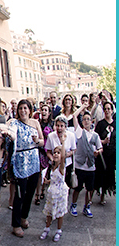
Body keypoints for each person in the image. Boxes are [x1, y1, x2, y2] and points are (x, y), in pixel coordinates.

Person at [8, 99, 44, 238]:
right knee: (19, 193)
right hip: (20, 159)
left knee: (30, 192)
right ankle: (15, 224)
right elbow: (8, 131)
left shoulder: (35, 123)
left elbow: (42, 141)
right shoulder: (14, 123)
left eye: (25, 108)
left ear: (30, 110)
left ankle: (24, 217)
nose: (23, 111)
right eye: (21, 108)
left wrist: (37, 141)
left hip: (33, 159)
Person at [70, 103, 103, 218]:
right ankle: (73, 205)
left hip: (91, 166)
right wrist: (83, 107)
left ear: (91, 122)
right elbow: (74, 116)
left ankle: (87, 206)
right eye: (84, 119)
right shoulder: (79, 132)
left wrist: (98, 152)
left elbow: (100, 148)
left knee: (90, 189)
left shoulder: (95, 136)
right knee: (77, 188)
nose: (86, 121)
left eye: (88, 119)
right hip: (80, 165)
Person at [40, 146, 69, 242]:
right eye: (54, 152)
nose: (56, 154)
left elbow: (64, 157)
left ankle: (58, 230)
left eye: (58, 153)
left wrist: (63, 141)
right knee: (49, 211)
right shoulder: (52, 167)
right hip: (52, 191)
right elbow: (54, 179)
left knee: (60, 213)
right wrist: (47, 181)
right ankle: (47, 228)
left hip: (60, 193)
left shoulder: (61, 167)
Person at [45, 115, 77, 192]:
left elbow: (74, 149)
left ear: (65, 127)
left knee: (65, 187)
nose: (59, 128)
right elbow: (48, 151)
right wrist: (52, 159)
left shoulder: (71, 135)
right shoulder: (51, 136)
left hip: (67, 164)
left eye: (62, 126)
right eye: (57, 125)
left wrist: (65, 155)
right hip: (54, 165)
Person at [94, 101, 116, 204]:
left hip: (113, 153)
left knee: (110, 174)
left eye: (109, 109)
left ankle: (106, 192)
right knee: (102, 173)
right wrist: (103, 142)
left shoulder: (116, 123)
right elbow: (96, 139)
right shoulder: (101, 124)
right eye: (105, 109)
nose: (107, 111)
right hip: (103, 154)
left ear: (112, 110)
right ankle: (101, 195)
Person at [34, 103, 54, 205]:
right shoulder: (38, 123)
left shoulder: (52, 124)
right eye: (43, 110)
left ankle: (42, 190)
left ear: (49, 112)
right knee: (39, 173)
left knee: (47, 172)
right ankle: (37, 194)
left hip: (49, 151)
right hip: (40, 150)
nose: (44, 112)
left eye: (46, 110)